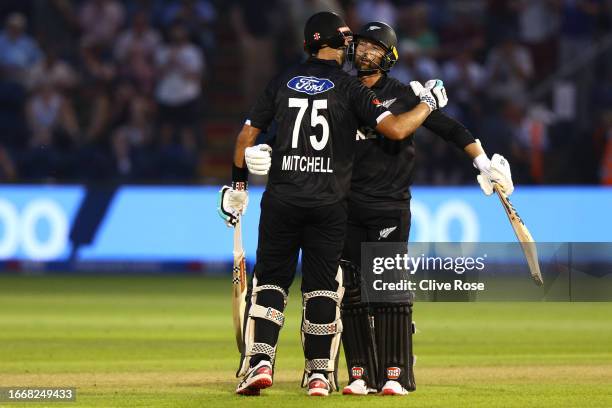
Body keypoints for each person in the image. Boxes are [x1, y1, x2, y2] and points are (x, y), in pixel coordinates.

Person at [217, 11, 448, 397]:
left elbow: (245, 137)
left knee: (271, 281)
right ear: (340, 45)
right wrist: (428, 104)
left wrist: (239, 185)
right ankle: (320, 374)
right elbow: (396, 129)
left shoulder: (282, 81)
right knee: (322, 288)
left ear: (309, 43)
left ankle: (260, 362)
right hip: (329, 205)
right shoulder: (351, 88)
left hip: (282, 199)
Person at [339, 22, 515, 396]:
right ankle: (359, 373)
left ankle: (396, 373)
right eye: (362, 45)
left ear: (388, 57)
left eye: (374, 47)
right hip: (346, 204)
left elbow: (451, 130)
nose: (366, 52)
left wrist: (483, 162)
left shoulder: (404, 96)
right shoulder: (343, 91)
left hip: (389, 204)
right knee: (352, 290)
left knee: (386, 289)